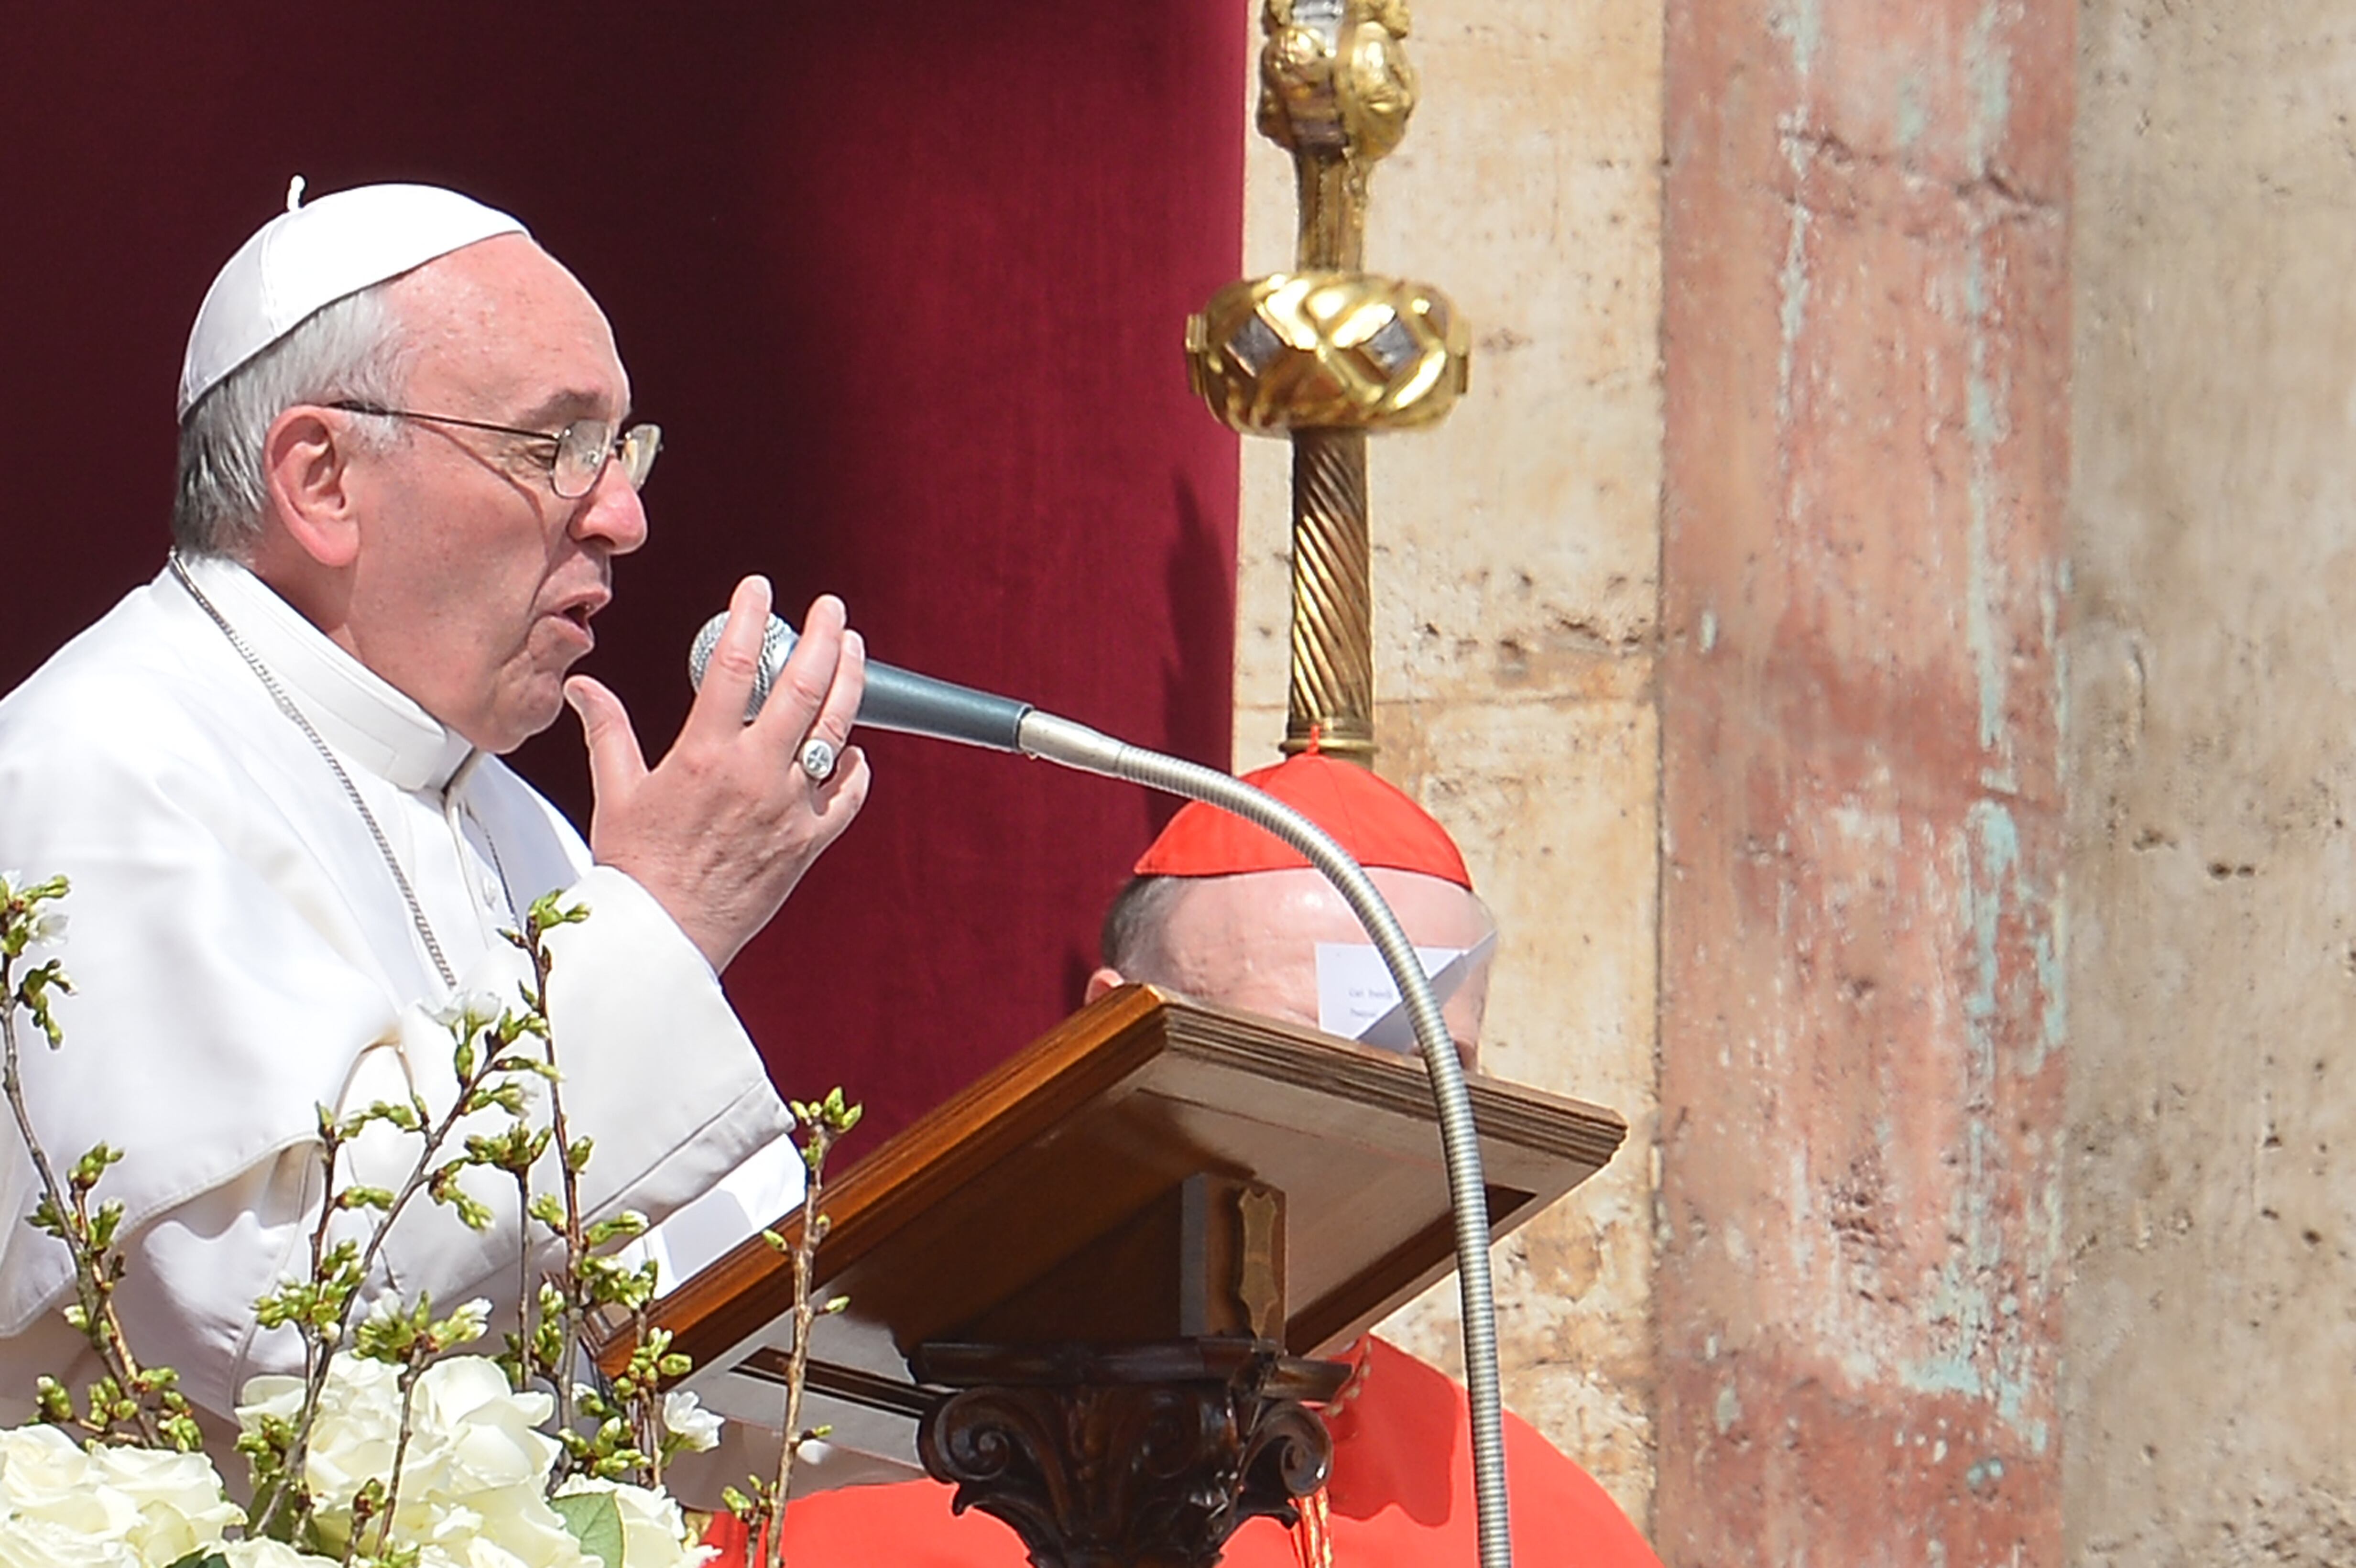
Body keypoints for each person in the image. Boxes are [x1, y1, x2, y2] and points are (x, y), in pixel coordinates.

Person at [0, 182, 870, 1437]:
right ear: (324, 479)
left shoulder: (520, 826)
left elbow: (735, 1349)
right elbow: (252, 1325)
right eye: (555, 445)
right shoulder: (93, 768)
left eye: (625, 450)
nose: (623, 515)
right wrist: (667, 915)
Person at [756, 751, 1661, 1566]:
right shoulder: (835, 1478)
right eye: (1289, 1062)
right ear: (1112, 1036)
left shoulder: (1545, 1523)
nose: (1361, 1138)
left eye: (1428, 1078)